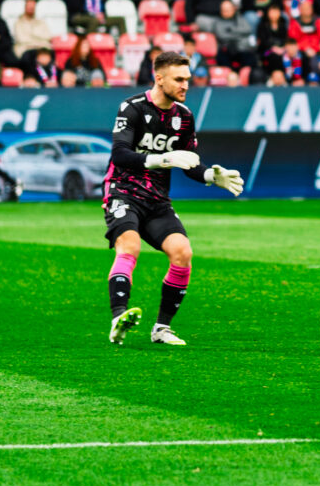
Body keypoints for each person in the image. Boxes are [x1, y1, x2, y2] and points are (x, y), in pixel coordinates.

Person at [100, 50, 244, 348]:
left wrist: (209, 176)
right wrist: (163, 158)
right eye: (179, 79)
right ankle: (119, 317)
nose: (185, 85)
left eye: (188, 79)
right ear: (159, 78)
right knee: (130, 245)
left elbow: (187, 162)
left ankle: (161, 329)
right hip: (123, 190)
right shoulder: (132, 108)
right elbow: (120, 154)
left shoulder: (185, 116)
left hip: (157, 199)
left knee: (183, 253)